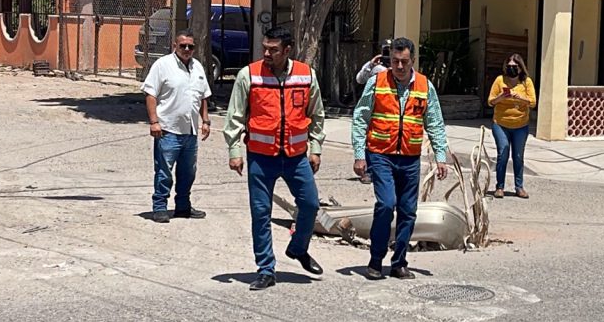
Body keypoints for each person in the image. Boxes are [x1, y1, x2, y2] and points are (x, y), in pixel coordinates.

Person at [223, 26, 326, 291]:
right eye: (264, 48)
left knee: (311, 204)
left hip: (296, 156)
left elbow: (317, 114)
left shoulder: (305, 75)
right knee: (260, 213)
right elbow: (234, 116)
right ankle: (266, 269)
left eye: (273, 50)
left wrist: (315, 148)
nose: (267, 53)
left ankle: (298, 248)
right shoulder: (249, 75)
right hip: (260, 157)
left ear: (287, 50)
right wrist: (235, 151)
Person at [351, 37, 449, 280]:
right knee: (386, 204)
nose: (400, 66)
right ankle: (375, 260)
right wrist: (359, 155)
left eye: (404, 61)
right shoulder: (377, 81)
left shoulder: (425, 86)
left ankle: (399, 262)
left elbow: (435, 122)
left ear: (412, 61)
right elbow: (360, 117)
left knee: (408, 211)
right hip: (381, 155)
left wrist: (441, 157)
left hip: (409, 158)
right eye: (395, 61)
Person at [141, 29, 212, 224]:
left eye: (191, 46)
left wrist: (205, 121)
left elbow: (203, 96)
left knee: (188, 173)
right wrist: (154, 121)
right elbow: (150, 94)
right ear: (175, 46)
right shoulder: (162, 65)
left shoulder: (197, 67)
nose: (187, 49)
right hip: (167, 130)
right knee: (164, 172)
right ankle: (160, 207)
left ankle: (183, 206)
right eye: (183, 46)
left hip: (190, 131)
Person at [487, 53, 537, 198]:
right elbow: (490, 101)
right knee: (503, 152)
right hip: (501, 123)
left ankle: (519, 187)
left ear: (520, 68)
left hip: (521, 125)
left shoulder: (526, 82)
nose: (511, 69)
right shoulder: (499, 80)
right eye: (509, 66)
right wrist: (501, 97)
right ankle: (499, 186)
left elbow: (533, 102)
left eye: (514, 67)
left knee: (518, 155)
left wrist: (521, 98)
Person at [353, 39, 393, 184]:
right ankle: (369, 171)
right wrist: (370, 65)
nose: (387, 54)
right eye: (385, 50)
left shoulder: (399, 67)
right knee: (371, 140)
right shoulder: (376, 68)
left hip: (391, 109)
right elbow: (359, 79)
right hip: (373, 107)